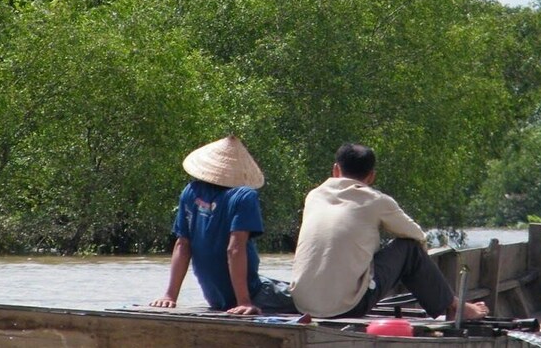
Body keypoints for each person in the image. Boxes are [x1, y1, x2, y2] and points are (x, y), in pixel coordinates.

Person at [290, 142, 489, 321]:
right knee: (409, 249)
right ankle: (453, 306)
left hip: (302, 304)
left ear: (335, 170)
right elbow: (417, 236)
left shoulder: (313, 196)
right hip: (347, 308)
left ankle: (451, 303)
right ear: (371, 176)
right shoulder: (376, 200)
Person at [150, 135, 294, 314]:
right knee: (313, 297)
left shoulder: (192, 191)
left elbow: (182, 245)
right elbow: (234, 249)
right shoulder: (244, 196)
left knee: (289, 287)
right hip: (255, 293)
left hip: (217, 299)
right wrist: (244, 302)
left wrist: (170, 296)